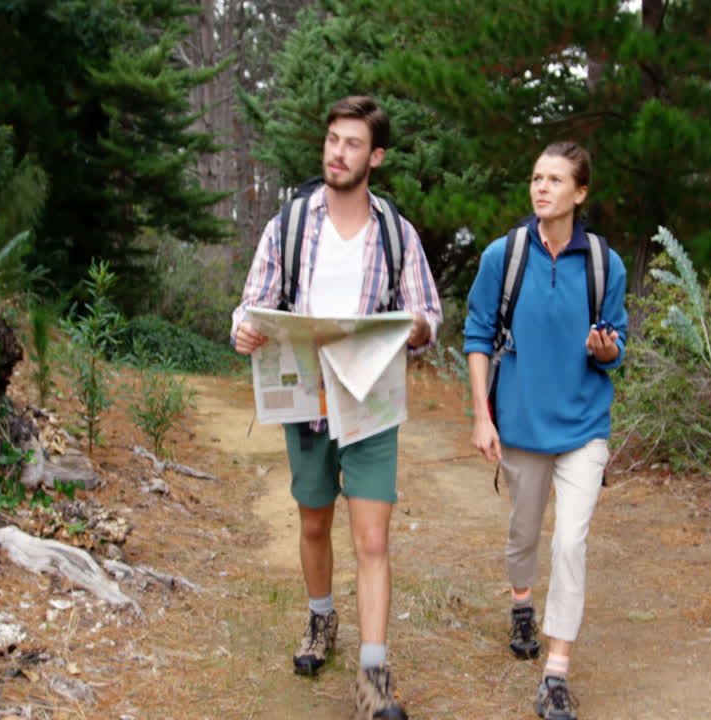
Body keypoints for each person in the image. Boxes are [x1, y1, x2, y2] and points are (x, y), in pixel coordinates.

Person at [231, 95, 441, 720]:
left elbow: (428, 313)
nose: (337, 153)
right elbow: (252, 303)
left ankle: (373, 681)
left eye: (352, 144)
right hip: (306, 403)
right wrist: (244, 329)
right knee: (315, 523)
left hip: (371, 403)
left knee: (372, 539)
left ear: (375, 157)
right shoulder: (290, 226)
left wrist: (416, 329)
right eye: (332, 140)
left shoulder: (397, 234)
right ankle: (321, 619)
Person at [462, 141, 628, 720]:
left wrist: (606, 350)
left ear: (580, 193)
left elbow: (617, 345)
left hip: (585, 425)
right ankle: (521, 603)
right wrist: (482, 415)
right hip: (521, 423)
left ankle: (556, 672)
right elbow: (477, 334)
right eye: (537, 177)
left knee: (570, 542)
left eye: (555, 180)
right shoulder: (503, 256)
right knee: (524, 533)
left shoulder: (605, 263)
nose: (542, 187)